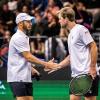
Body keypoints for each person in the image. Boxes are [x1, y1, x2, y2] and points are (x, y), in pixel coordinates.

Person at [48, 7, 99, 100]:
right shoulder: (71, 34)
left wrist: (92, 67)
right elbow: (71, 56)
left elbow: (94, 47)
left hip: (88, 73)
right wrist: (58, 66)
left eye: (60, 18)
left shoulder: (80, 29)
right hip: (76, 75)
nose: (59, 21)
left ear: (66, 18)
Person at [7, 13, 58, 100]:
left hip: (25, 77)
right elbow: (28, 57)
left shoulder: (23, 37)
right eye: (27, 22)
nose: (30, 23)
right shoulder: (18, 37)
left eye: (30, 21)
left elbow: (23, 58)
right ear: (20, 23)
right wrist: (46, 64)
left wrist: (32, 69)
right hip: (18, 77)